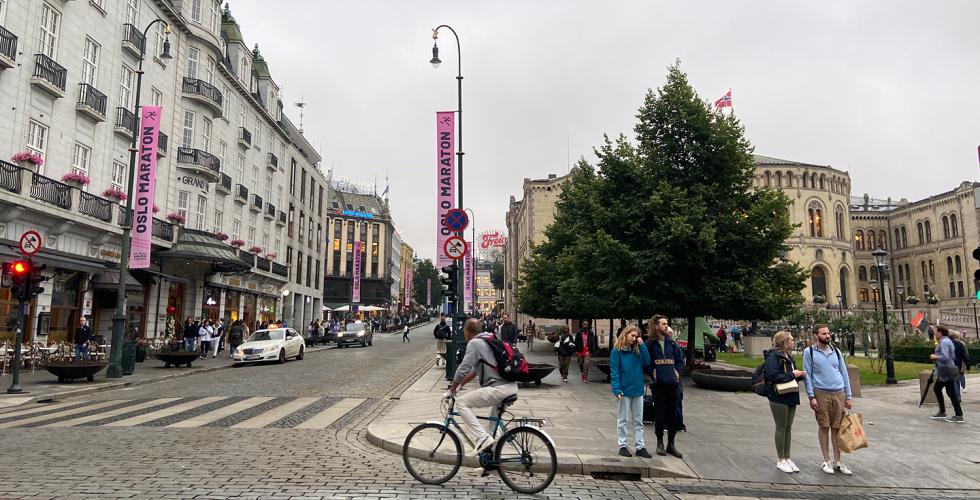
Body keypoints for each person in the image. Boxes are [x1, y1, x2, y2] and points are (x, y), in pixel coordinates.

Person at [446, 318, 519, 454]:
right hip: (510, 386)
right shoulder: (489, 339)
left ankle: (481, 439)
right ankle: (492, 462)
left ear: (467, 332)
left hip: (498, 389)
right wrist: (460, 385)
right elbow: (474, 371)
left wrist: (452, 389)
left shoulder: (475, 343)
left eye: (464, 332)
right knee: (492, 426)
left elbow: (463, 368)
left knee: (461, 403)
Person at [803, 324, 854, 475]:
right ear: (815, 335)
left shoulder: (836, 352)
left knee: (837, 427)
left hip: (838, 393)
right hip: (821, 393)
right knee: (824, 426)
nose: (827, 336)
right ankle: (826, 460)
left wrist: (848, 395)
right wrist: (811, 396)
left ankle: (838, 461)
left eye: (828, 333)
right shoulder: (809, 352)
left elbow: (844, 374)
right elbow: (808, 376)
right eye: (824, 333)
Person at [765, 331, 807, 473]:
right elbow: (771, 375)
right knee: (781, 427)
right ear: (784, 342)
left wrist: (800, 375)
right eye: (791, 339)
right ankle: (780, 459)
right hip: (778, 395)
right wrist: (792, 374)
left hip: (790, 394)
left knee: (788, 427)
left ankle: (787, 457)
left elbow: (789, 376)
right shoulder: (773, 356)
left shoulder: (788, 356)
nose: (794, 342)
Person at [644, 315, 684, 458]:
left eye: (666, 324)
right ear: (656, 326)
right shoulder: (650, 344)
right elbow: (645, 361)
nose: (665, 326)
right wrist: (651, 372)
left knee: (672, 414)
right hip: (658, 384)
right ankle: (659, 442)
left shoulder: (672, 343)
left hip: (673, 384)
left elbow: (680, 360)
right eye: (663, 324)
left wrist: (678, 373)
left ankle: (671, 444)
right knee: (659, 414)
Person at [610, 325, 652, 458]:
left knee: (638, 420)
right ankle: (622, 445)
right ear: (626, 334)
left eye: (636, 336)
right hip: (624, 390)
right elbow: (614, 370)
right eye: (632, 336)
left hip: (637, 389)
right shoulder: (617, 350)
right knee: (623, 419)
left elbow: (647, 362)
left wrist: (642, 345)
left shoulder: (637, 349)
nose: (634, 338)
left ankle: (640, 446)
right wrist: (616, 388)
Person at [930, 325, 964, 423]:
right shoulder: (948, 341)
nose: (934, 334)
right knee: (951, 392)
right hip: (949, 368)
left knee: (937, 389)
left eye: (935, 332)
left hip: (945, 370)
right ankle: (958, 414)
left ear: (940, 332)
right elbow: (952, 357)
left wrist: (935, 357)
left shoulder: (944, 342)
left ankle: (943, 412)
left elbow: (945, 356)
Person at [950, 330, 971, 395]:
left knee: (956, 379)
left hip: (954, 362)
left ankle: (958, 394)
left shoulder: (949, 343)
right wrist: (968, 365)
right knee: (961, 374)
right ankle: (963, 387)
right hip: (960, 362)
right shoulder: (961, 343)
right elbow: (966, 354)